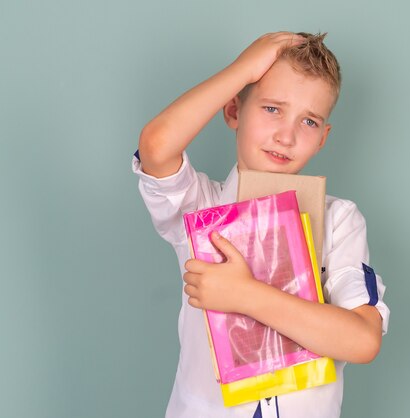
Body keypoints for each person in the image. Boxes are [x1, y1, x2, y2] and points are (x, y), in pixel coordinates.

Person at [133, 31, 390, 418]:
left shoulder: (339, 219)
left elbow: (362, 339)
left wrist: (245, 294)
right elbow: (156, 146)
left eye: (309, 121)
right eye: (272, 109)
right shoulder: (202, 207)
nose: (286, 136)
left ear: (323, 138)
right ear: (233, 110)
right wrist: (242, 70)